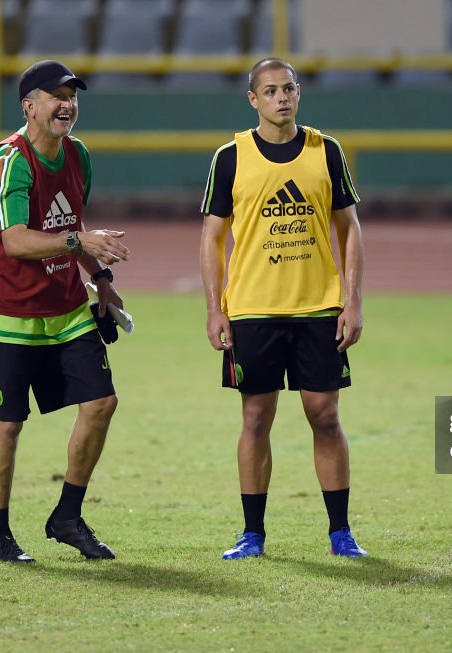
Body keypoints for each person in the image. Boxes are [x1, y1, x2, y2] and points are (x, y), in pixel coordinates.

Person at [0, 60, 131, 563]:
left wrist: (100, 279)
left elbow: (67, 224)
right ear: (28, 106)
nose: (67, 104)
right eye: (55, 95)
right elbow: (14, 241)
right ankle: (0, 536)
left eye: (72, 95)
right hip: (7, 308)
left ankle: (67, 517)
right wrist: (83, 242)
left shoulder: (78, 156)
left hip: (64, 304)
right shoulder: (7, 161)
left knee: (101, 402)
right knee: (7, 423)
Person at [199, 58, 367, 560]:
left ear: (299, 94)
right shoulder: (230, 156)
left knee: (325, 414)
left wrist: (352, 300)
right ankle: (252, 533)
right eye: (270, 91)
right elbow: (211, 239)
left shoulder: (326, 151)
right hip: (252, 309)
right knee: (256, 417)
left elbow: (350, 228)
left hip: (318, 305)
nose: (281, 98)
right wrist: (215, 308)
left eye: (289, 89)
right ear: (253, 99)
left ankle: (340, 532)